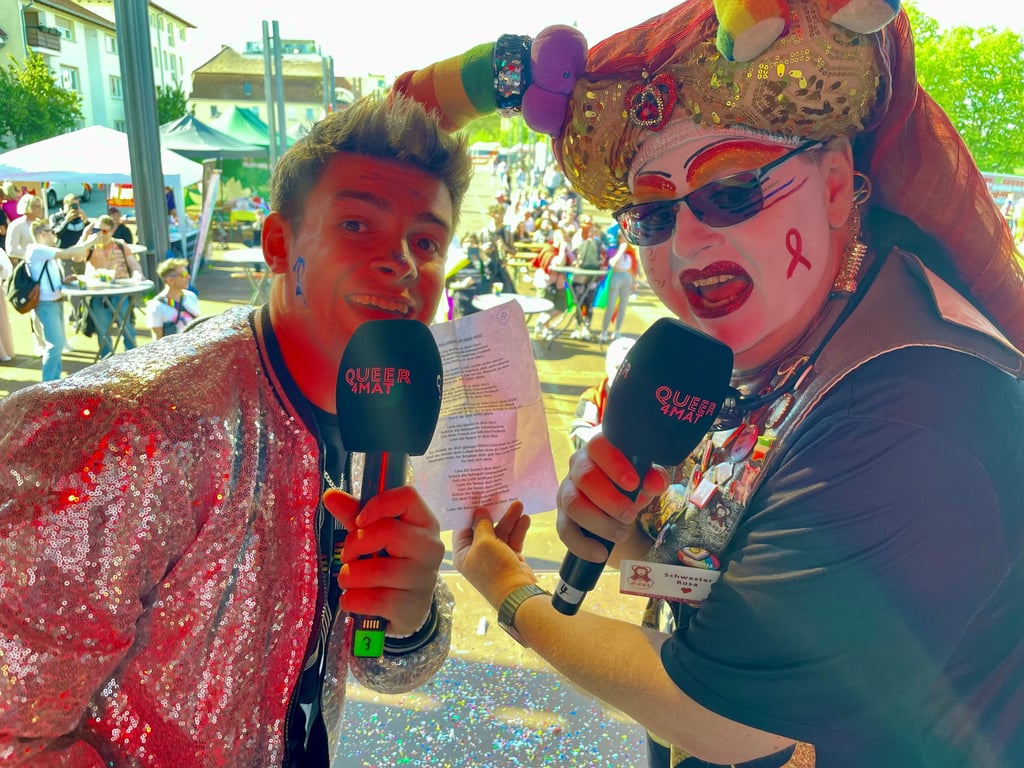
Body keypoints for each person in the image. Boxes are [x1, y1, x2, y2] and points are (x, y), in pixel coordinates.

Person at [395, 2, 1024, 766]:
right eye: (653, 216)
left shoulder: (914, 411)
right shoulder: (781, 343)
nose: (690, 243)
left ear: (834, 186)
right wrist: (629, 532)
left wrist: (511, 593)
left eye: (731, 193)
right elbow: (713, 592)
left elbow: (722, 717)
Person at [0, 92, 471, 765]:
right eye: (358, 226)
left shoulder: (383, 406)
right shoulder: (129, 432)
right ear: (280, 245)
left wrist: (406, 621)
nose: (401, 260)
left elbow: (371, 662)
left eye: (426, 240)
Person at [22, 218, 95, 380]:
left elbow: (71, 254)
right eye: (51, 232)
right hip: (47, 303)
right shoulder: (37, 249)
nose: (54, 235)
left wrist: (62, 281)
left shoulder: (41, 250)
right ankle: (48, 385)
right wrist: (90, 240)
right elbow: (70, 253)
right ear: (42, 234)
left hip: (53, 300)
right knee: (54, 345)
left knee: (57, 345)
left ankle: (53, 382)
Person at [82, 214, 144, 358]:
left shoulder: (121, 245)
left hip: (120, 290)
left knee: (126, 326)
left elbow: (133, 264)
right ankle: (107, 361)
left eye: (104, 231)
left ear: (112, 230)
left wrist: (137, 274)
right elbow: (76, 257)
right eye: (97, 230)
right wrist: (85, 237)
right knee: (102, 330)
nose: (100, 235)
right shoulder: (90, 246)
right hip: (98, 292)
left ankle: (132, 358)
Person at [568, 336, 635, 449]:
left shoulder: (652, 398)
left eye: (631, 370)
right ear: (607, 367)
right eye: (618, 368)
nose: (623, 376)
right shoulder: (593, 398)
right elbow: (579, 435)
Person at [145, 257, 200, 338]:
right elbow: (158, 338)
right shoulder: (156, 306)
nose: (188, 277)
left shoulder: (191, 296)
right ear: (170, 280)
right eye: (184, 275)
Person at [598, 228, 637, 342]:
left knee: (623, 306)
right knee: (610, 306)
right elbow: (613, 264)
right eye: (623, 237)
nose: (625, 239)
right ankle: (604, 331)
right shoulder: (612, 250)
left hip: (627, 277)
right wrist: (621, 250)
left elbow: (633, 268)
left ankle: (617, 331)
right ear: (619, 238)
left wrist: (634, 283)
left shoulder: (631, 252)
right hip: (616, 276)